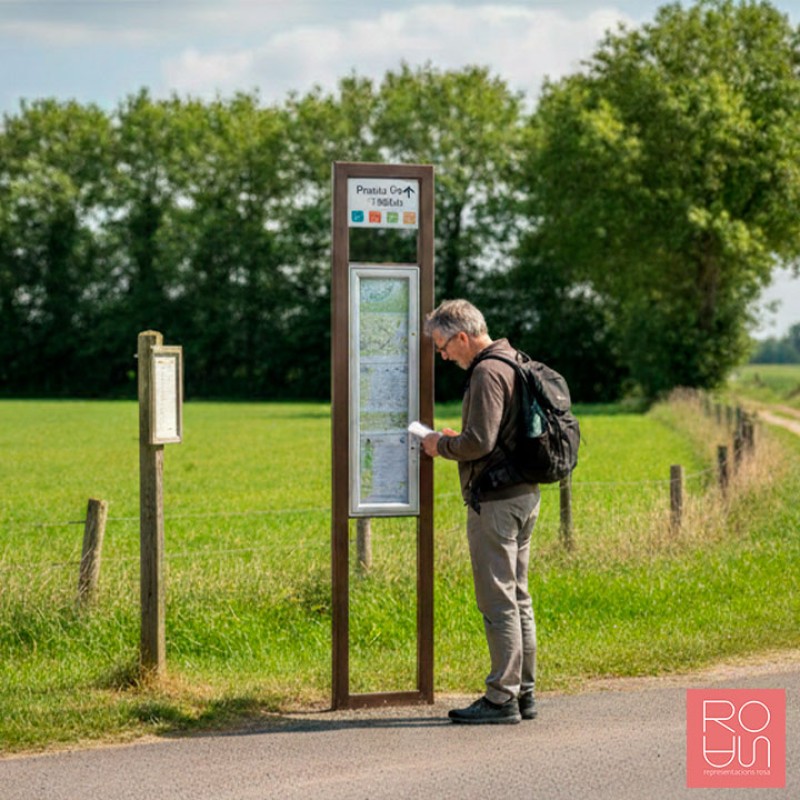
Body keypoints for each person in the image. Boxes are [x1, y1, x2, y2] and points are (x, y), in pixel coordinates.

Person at [421, 299, 540, 725]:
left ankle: (501, 698)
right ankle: (524, 692)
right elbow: (490, 435)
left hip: (496, 501)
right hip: (523, 495)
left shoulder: (487, 371)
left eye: (442, 345)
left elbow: (480, 443)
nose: (442, 354)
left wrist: (440, 445)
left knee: (498, 600)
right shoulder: (512, 359)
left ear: (462, 337)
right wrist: (461, 437)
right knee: (518, 596)